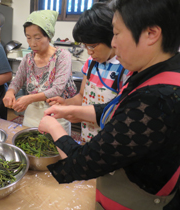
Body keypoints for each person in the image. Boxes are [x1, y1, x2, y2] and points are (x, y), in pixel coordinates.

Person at [38, 0, 180, 209]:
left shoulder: (157, 98)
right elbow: (120, 111)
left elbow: (81, 164)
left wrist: (54, 128)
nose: (113, 43)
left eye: (116, 32)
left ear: (151, 33)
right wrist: (73, 109)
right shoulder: (156, 73)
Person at [47, 2, 132, 143]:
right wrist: (66, 103)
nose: (89, 52)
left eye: (92, 46)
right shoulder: (91, 64)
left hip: (111, 141)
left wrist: (78, 113)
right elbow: (82, 97)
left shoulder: (125, 68)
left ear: (111, 37)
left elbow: (120, 113)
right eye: (85, 46)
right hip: (87, 135)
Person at [2, 10, 77, 134]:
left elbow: (57, 89)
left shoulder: (62, 56)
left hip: (56, 115)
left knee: (57, 150)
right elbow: (17, 82)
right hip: (32, 115)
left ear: (49, 36)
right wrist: (10, 92)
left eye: (37, 38)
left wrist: (28, 99)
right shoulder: (28, 58)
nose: (32, 43)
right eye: (28, 37)